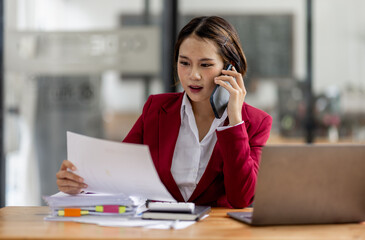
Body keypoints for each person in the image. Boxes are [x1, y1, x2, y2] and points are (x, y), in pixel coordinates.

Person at [56, 16, 272, 208]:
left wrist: (235, 122)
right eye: (184, 63)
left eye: (205, 65)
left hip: (217, 233)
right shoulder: (157, 109)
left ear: (229, 69)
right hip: (160, 228)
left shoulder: (255, 122)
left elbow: (241, 198)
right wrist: (79, 183)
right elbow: (119, 173)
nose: (193, 75)